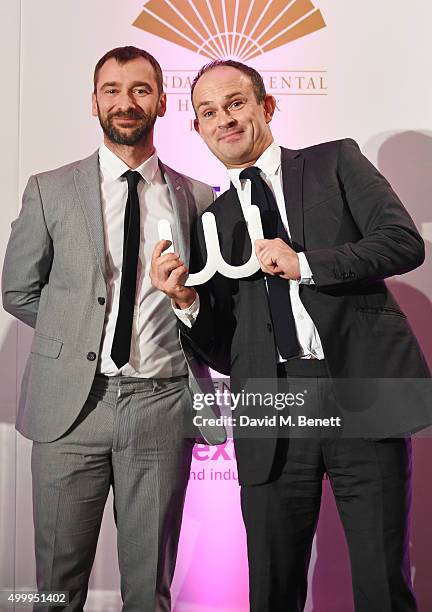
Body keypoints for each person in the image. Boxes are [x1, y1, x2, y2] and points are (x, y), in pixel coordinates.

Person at [150, 60, 430, 611]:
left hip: (359, 387)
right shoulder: (215, 215)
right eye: (208, 112)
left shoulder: (335, 161)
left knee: (381, 581)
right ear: (199, 129)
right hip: (271, 404)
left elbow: (402, 243)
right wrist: (185, 301)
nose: (224, 119)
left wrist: (305, 264)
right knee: (272, 588)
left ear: (265, 107)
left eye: (235, 103)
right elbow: (227, 348)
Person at [2, 46, 223, 612]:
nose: (127, 102)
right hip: (71, 408)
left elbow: (214, 305)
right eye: (113, 90)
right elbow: (18, 290)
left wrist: (187, 303)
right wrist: (77, 337)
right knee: (54, 586)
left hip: (162, 404)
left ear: (162, 102)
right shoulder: (49, 189)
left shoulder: (199, 197)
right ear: (94, 102)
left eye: (141, 90)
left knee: (149, 589)